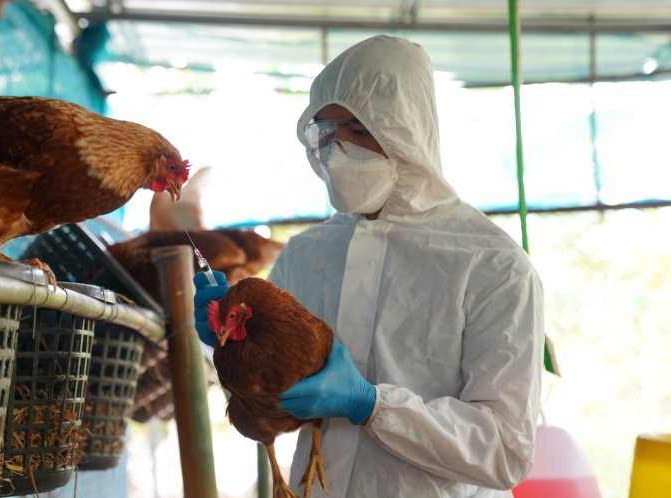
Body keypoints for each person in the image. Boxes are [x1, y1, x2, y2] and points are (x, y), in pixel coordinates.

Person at [194, 35, 544, 497]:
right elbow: (266, 399)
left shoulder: (492, 266)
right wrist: (227, 345)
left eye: (359, 131)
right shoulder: (307, 253)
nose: (339, 152)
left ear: (407, 131)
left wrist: (373, 406)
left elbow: (505, 451)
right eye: (328, 133)